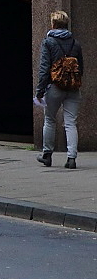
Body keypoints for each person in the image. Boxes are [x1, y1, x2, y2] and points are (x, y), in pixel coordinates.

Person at [35, 10, 83, 169]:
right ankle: (71, 159)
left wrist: (39, 91)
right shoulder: (75, 43)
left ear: (53, 24)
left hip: (54, 87)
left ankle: (47, 155)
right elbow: (80, 67)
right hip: (73, 88)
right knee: (70, 123)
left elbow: (44, 69)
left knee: (49, 119)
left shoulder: (48, 42)